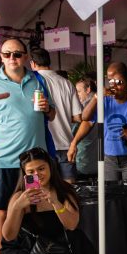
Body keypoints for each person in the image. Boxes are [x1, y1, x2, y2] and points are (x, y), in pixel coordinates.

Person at [0, 36, 56, 254]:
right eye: (7, 54)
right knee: (1, 211)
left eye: (17, 54)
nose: (12, 59)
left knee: (31, 208)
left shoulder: (37, 80)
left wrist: (48, 108)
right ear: (1, 57)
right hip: (3, 160)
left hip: (33, 163)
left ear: (26, 56)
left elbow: (53, 115)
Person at [1, 147, 95, 254]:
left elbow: (72, 225)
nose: (37, 175)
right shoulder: (19, 196)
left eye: (41, 168)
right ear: (25, 175)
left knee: (79, 241)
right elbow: (9, 236)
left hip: (55, 242)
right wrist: (17, 208)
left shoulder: (64, 191)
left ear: (51, 167)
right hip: (27, 246)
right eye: (31, 172)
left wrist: (55, 202)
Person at [67, 69, 127, 185]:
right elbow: (86, 118)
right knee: (111, 197)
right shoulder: (105, 102)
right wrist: (97, 97)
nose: (115, 86)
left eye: (119, 83)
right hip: (109, 160)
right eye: (112, 82)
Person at [28, 47, 82, 180]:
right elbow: (78, 117)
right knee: (68, 192)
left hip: (41, 145)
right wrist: (63, 116)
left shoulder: (31, 82)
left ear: (33, 63)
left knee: (42, 192)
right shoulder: (67, 83)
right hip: (66, 144)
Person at [71, 75, 98, 180]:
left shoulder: (85, 107)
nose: (77, 95)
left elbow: (74, 131)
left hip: (85, 159)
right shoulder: (102, 103)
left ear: (88, 89)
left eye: (78, 91)